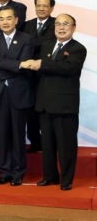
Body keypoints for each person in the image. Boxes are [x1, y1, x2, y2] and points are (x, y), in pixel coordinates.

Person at [24, 13, 87, 191]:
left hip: (65, 106)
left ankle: (66, 180)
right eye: (58, 24)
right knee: (48, 145)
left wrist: (42, 63)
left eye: (65, 24)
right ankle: (50, 176)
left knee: (66, 146)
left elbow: (68, 68)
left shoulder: (78, 48)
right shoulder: (47, 45)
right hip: (44, 103)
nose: (61, 27)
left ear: (73, 27)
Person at [0, 6, 35, 186]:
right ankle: (4, 171)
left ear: (16, 20)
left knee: (18, 134)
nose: (5, 22)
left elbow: (25, 63)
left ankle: (18, 172)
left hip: (19, 93)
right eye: (1, 19)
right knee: (3, 134)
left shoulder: (27, 39)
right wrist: (17, 65)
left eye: (8, 18)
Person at [21, 0, 56, 153]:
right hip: (27, 76)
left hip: (47, 75)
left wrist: (31, 43)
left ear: (51, 8)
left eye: (45, 6)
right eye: (38, 5)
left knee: (47, 111)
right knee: (30, 111)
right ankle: (35, 143)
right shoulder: (26, 25)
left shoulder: (57, 24)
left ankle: (50, 144)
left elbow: (51, 46)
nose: (41, 8)